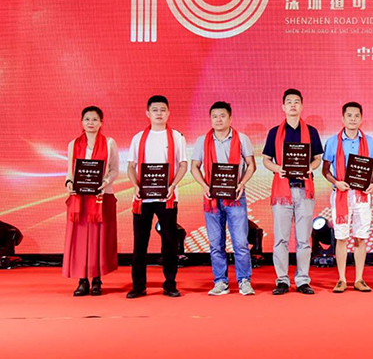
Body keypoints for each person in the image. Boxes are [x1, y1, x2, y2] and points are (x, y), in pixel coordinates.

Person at [191, 101, 256, 296]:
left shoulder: (242, 139)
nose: (218, 120)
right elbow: (194, 167)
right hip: (212, 198)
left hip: (235, 197)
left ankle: (244, 280)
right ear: (210, 119)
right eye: (214, 116)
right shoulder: (202, 141)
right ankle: (220, 281)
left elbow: (251, 165)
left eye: (222, 116)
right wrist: (204, 186)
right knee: (215, 243)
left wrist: (241, 183)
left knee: (241, 242)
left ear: (230, 118)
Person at [262, 89, 323, 295]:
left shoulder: (311, 132)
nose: (293, 105)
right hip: (282, 191)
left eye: (297, 102)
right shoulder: (274, 132)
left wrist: (310, 168)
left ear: (302, 106)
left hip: (304, 190)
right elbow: (266, 160)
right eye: (289, 102)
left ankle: (303, 280)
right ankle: (282, 280)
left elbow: (317, 158)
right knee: (281, 238)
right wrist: (278, 169)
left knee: (304, 239)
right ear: (283, 107)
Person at [126, 95, 188, 298]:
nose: (159, 113)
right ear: (148, 113)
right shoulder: (138, 138)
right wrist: (135, 185)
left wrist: (173, 185)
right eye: (155, 110)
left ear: (168, 112)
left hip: (167, 197)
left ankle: (170, 284)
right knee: (140, 243)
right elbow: (131, 166)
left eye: (162, 110)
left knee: (169, 243)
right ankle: (138, 285)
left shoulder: (177, 137)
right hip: (142, 199)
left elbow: (183, 165)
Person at [322, 102, 373, 293]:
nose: (353, 119)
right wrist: (336, 182)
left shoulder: (368, 141)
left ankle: (359, 279)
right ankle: (342, 279)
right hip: (341, 194)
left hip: (362, 195)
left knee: (360, 237)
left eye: (356, 116)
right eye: (349, 115)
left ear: (361, 119)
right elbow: (325, 170)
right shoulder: (332, 141)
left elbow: (371, 169)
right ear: (343, 118)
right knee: (341, 237)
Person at [63, 106, 119, 296]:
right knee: (80, 240)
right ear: (81, 122)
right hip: (79, 200)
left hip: (101, 197)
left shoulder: (109, 143)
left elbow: (114, 170)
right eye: (87, 119)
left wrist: (105, 182)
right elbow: (70, 171)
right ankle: (82, 280)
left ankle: (96, 280)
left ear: (101, 122)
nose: (90, 123)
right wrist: (69, 183)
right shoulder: (73, 144)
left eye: (95, 119)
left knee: (98, 240)